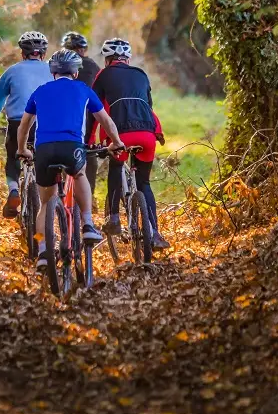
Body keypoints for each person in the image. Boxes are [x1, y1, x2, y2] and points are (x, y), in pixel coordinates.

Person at [16, 48, 125, 272]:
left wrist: (21, 149)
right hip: (72, 146)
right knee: (80, 173)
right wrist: (115, 141)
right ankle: (87, 223)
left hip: (44, 150)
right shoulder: (83, 89)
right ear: (75, 72)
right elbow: (105, 119)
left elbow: (24, 125)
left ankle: (44, 251)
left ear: (53, 72)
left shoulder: (40, 91)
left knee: (45, 203)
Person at [91, 37, 170, 250]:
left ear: (107, 59)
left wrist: (90, 143)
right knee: (144, 183)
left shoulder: (103, 74)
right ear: (127, 58)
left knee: (116, 167)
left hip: (121, 134)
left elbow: (93, 110)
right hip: (147, 133)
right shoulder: (141, 75)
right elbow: (149, 106)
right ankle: (154, 234)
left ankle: (114, 218)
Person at [0, 31, 52, 219]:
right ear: (43, 53)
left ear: (22, 53)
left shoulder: (12, 71)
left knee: (13, 154)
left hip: (18, 122)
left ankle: (14, 189)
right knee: (45, 158)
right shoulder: (52, 70)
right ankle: (51, 195)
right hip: (46, 124)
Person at [61, 31, 101, 199]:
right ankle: (88, 197)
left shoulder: (56, 64)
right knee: (89, 155)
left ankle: (61, 193)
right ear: (82, 50)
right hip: (90, 119)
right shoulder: (92, 65)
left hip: (63, 119)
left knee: (61, 154)